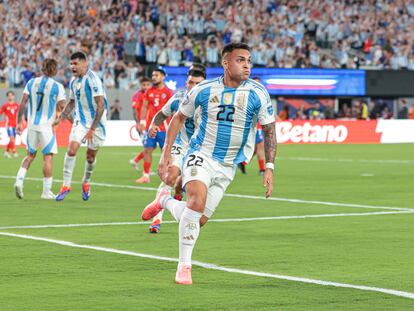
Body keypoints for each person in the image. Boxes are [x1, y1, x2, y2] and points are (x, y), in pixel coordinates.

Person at [141, 42, 277, 284]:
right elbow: (178, 117)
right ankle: (184, 266)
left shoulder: (258, 93)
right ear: (226, 63)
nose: (246, 64)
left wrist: (269, 166)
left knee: (197, 219)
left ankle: (164, 201)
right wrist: (166, 154)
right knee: (196, 202)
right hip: (200, 154)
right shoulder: (203, 90)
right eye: (240, 60)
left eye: (248, 60)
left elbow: (269, 130)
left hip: (228, 165)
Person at [145, 67, 206, 233]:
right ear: (186, 82)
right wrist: (153, 124)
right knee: (169, 176)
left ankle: (177, 195)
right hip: (180, 144)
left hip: (200, 148)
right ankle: (156, 220)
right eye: (190, 83)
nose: (193, 86)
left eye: (197, 83)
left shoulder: (210, 100)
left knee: (187, 186)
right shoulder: (179, 98)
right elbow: (162, 113)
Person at [55, 51, 108, 201]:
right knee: (71, 150)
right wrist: (61, 117)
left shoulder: (93, 80)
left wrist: (92, 129)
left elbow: (101, 106)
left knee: (90, 157)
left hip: (97, 124)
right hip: (80, 121)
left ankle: (86, 181)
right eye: (71, 64)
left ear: (84, 64)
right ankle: (66, 185)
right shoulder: (73, 82)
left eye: (75, 63)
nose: (72, 66)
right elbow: (72, 102)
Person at [14, 58, 66, 199]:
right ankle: (46, 192)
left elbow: (23, 102)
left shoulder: (31, 82)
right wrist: (65, 118)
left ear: (43, 68)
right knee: (47, 158)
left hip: (31, 125)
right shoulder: (57, 86)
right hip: (46, 128)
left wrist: (19, 121)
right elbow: (63, 107)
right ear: (54, 70)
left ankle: (19, 180)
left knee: (30, 156)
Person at [136, 67, 173, 183]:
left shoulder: (168, 92)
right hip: (150, 127)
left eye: (156, 75)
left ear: (162, 77)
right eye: (153, 75)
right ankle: (146, 175)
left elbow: (173, 110)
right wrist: (142, 122)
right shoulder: (149, 91)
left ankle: (167, 174)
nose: (154, 77)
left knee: (165, 152)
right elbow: (145, 106)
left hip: (164, 128)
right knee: (147, 150)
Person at [129, 77, 152, 170]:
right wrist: (138, 123)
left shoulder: (151, 93)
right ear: (140, 85)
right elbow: (134, 110)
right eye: (144, 85)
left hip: (151, 124)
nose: (146, 87)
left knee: (150, 147)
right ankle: (146, 171)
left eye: (148, 84)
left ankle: (135, 160)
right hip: (142, 125)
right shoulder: (137, 95)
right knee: (148, 147)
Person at [0, 91, 19, 158]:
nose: (10, 96)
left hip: (15, 125)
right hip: (8, 125)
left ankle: (7, 152)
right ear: (7, 97)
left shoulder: (16, 105)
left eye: (11, 95)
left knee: (13, 139)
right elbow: (0, 112)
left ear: (13, 96)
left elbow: (19, 114)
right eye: (9, 95)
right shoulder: (5, 105)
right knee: (12, 138)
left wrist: (22, 121)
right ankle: (14, 152)